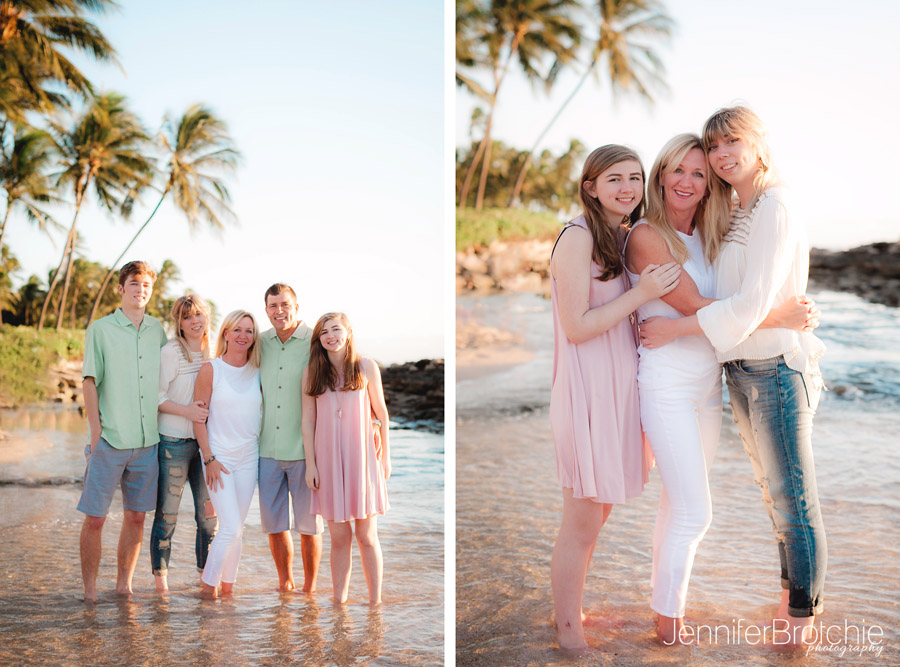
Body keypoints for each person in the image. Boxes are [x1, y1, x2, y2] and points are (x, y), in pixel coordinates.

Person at [640, 107, 827, 647]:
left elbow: (750, 303)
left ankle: (800, 621)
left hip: (775, 367)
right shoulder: (734, 210)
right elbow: (733, 301)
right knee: (778, 496)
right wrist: (771, 315)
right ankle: (794, 600)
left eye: (730, 144)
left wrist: (676, 331)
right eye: (712, 147)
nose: (720, 157)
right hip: (740, 369)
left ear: (759, 143)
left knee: (793, 499)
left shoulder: (775, 205)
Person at [547, 144, 682, 652]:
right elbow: (577, 328)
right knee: (582, 519)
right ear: (590, 187)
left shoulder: (623, 237)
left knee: (597, 514)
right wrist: (642, 294)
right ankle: (567, 632)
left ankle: (569, 610)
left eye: (634, 177)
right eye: (614, 179)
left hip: (617, 394)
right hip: (585, 394)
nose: (627, 187)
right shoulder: (577, 237)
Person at [78, 260, 168, 603]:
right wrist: (95, 430)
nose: (140, 290)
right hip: (110, 439)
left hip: (147, 443)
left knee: (136, 518)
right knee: (95, 520)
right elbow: (89, 381)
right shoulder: (100, 329)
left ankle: (123, 585)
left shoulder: (158, 330)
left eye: (146, 285)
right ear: (121, 288)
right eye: (134, 284)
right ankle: (89, 591)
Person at [302, 312, 390, 605]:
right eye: (324, 332)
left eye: (336, 329)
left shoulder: (366, 367)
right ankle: (339, 604)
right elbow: (308, 421)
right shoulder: (312, 372)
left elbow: (382, 414)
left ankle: (374, 604)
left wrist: (385, 458)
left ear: (348, 332)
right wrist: (311, 465)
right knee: (339, 538)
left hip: (362, 460)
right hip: (327, 462)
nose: (331, 336)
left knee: (366, 536)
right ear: (319, 339)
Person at [258, 283, 324, 593]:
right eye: (273, 306)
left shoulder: (315, 340)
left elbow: (341, 376)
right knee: (274, 525)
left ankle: (309, 589)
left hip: (305, 451)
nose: (279, 311)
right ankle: (285, 584)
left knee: (309, 527)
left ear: (296, 307)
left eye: (284, 304)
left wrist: (374, 423)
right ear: (266, 310)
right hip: (266, 450)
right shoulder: (259, 343)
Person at [149, 294, 217, 592]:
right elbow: (156, 397)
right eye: (187, 317)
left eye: (199, 315)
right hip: (173, 443)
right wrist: (188, 411)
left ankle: (206, 579)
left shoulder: (215, 350)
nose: (194, 321)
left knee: (209, 517)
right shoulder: (170, 352)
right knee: (167, 516)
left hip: (207, 447)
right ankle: (161, 586)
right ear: (178, 322)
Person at [193, 310, 262, 599]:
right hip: (218, 459)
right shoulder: (212, 369)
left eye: (248, 331)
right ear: (225, 333)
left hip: (249, 459)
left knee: (238, 529)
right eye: (237, 329)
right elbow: (198, 417)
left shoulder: (258, 371)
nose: (242, 336)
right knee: (229, 528)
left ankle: (229, 592)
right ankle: (208, 593)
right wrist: (208, 457)